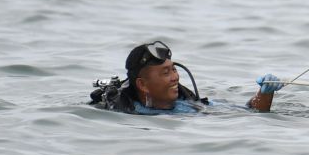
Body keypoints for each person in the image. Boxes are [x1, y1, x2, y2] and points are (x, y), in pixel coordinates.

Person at [89, 41, 281, 114]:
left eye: (173, 70)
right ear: (142, 85)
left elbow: (247, 112)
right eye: (166, 73)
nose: (175, 78)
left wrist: (265, 94)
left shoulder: (187, 103)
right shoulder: (128, 113)